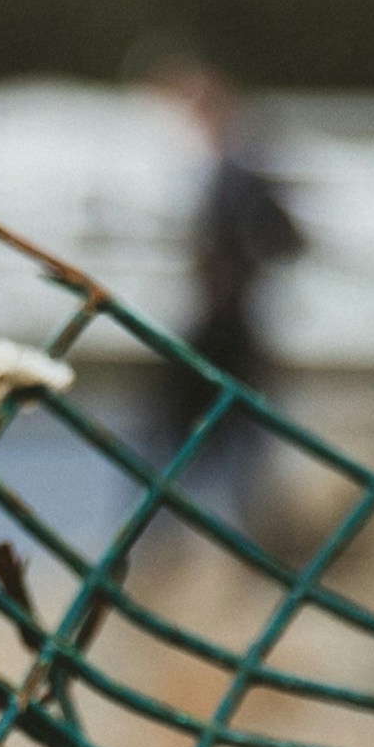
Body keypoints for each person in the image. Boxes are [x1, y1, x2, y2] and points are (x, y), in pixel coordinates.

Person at [132, 40, 305, 512]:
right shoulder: (186, 168)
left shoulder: (241, 168)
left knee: (209, 433)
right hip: (201, 320)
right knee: (194, 433)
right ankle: (167, 533)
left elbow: (285, 236)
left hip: (221, 321)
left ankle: (175, 532)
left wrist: (238, 268)